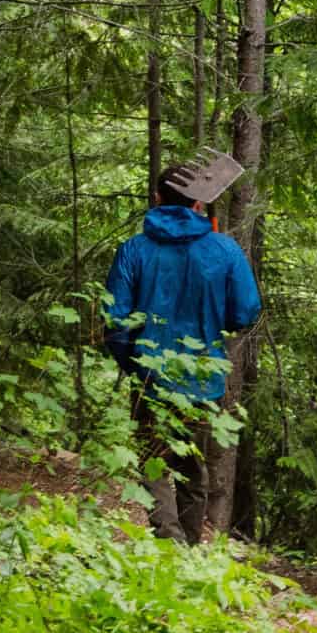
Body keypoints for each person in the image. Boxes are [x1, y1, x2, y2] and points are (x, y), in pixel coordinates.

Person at [105, 163, 261, 543]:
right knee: (193, 465)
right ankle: (186, 546)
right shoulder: (222, 249)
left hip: (150, 378)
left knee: (154, 464)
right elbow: (245, 311)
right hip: (203, 377)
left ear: (158, 199)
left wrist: (136, 364)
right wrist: (212, 319)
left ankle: (171, 542)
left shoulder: (135, 250)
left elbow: (116, 321)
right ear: (198, 202)